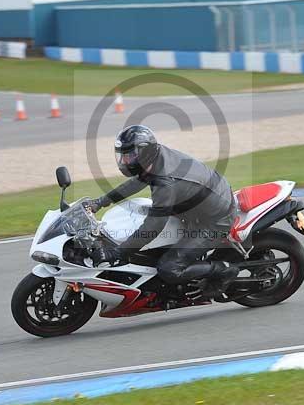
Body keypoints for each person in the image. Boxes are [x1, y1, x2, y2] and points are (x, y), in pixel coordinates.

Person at [85, 125, 239, 298]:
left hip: (215, 221)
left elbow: (155, 225)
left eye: (130, 156)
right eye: (123, 156)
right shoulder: (156, 158)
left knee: (169, 268)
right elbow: (136, 183)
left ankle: (224, 270)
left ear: (144, 153)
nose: (125, 161)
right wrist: (100, 202)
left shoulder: (165, 182)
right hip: (200, 205)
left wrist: (120, 252)